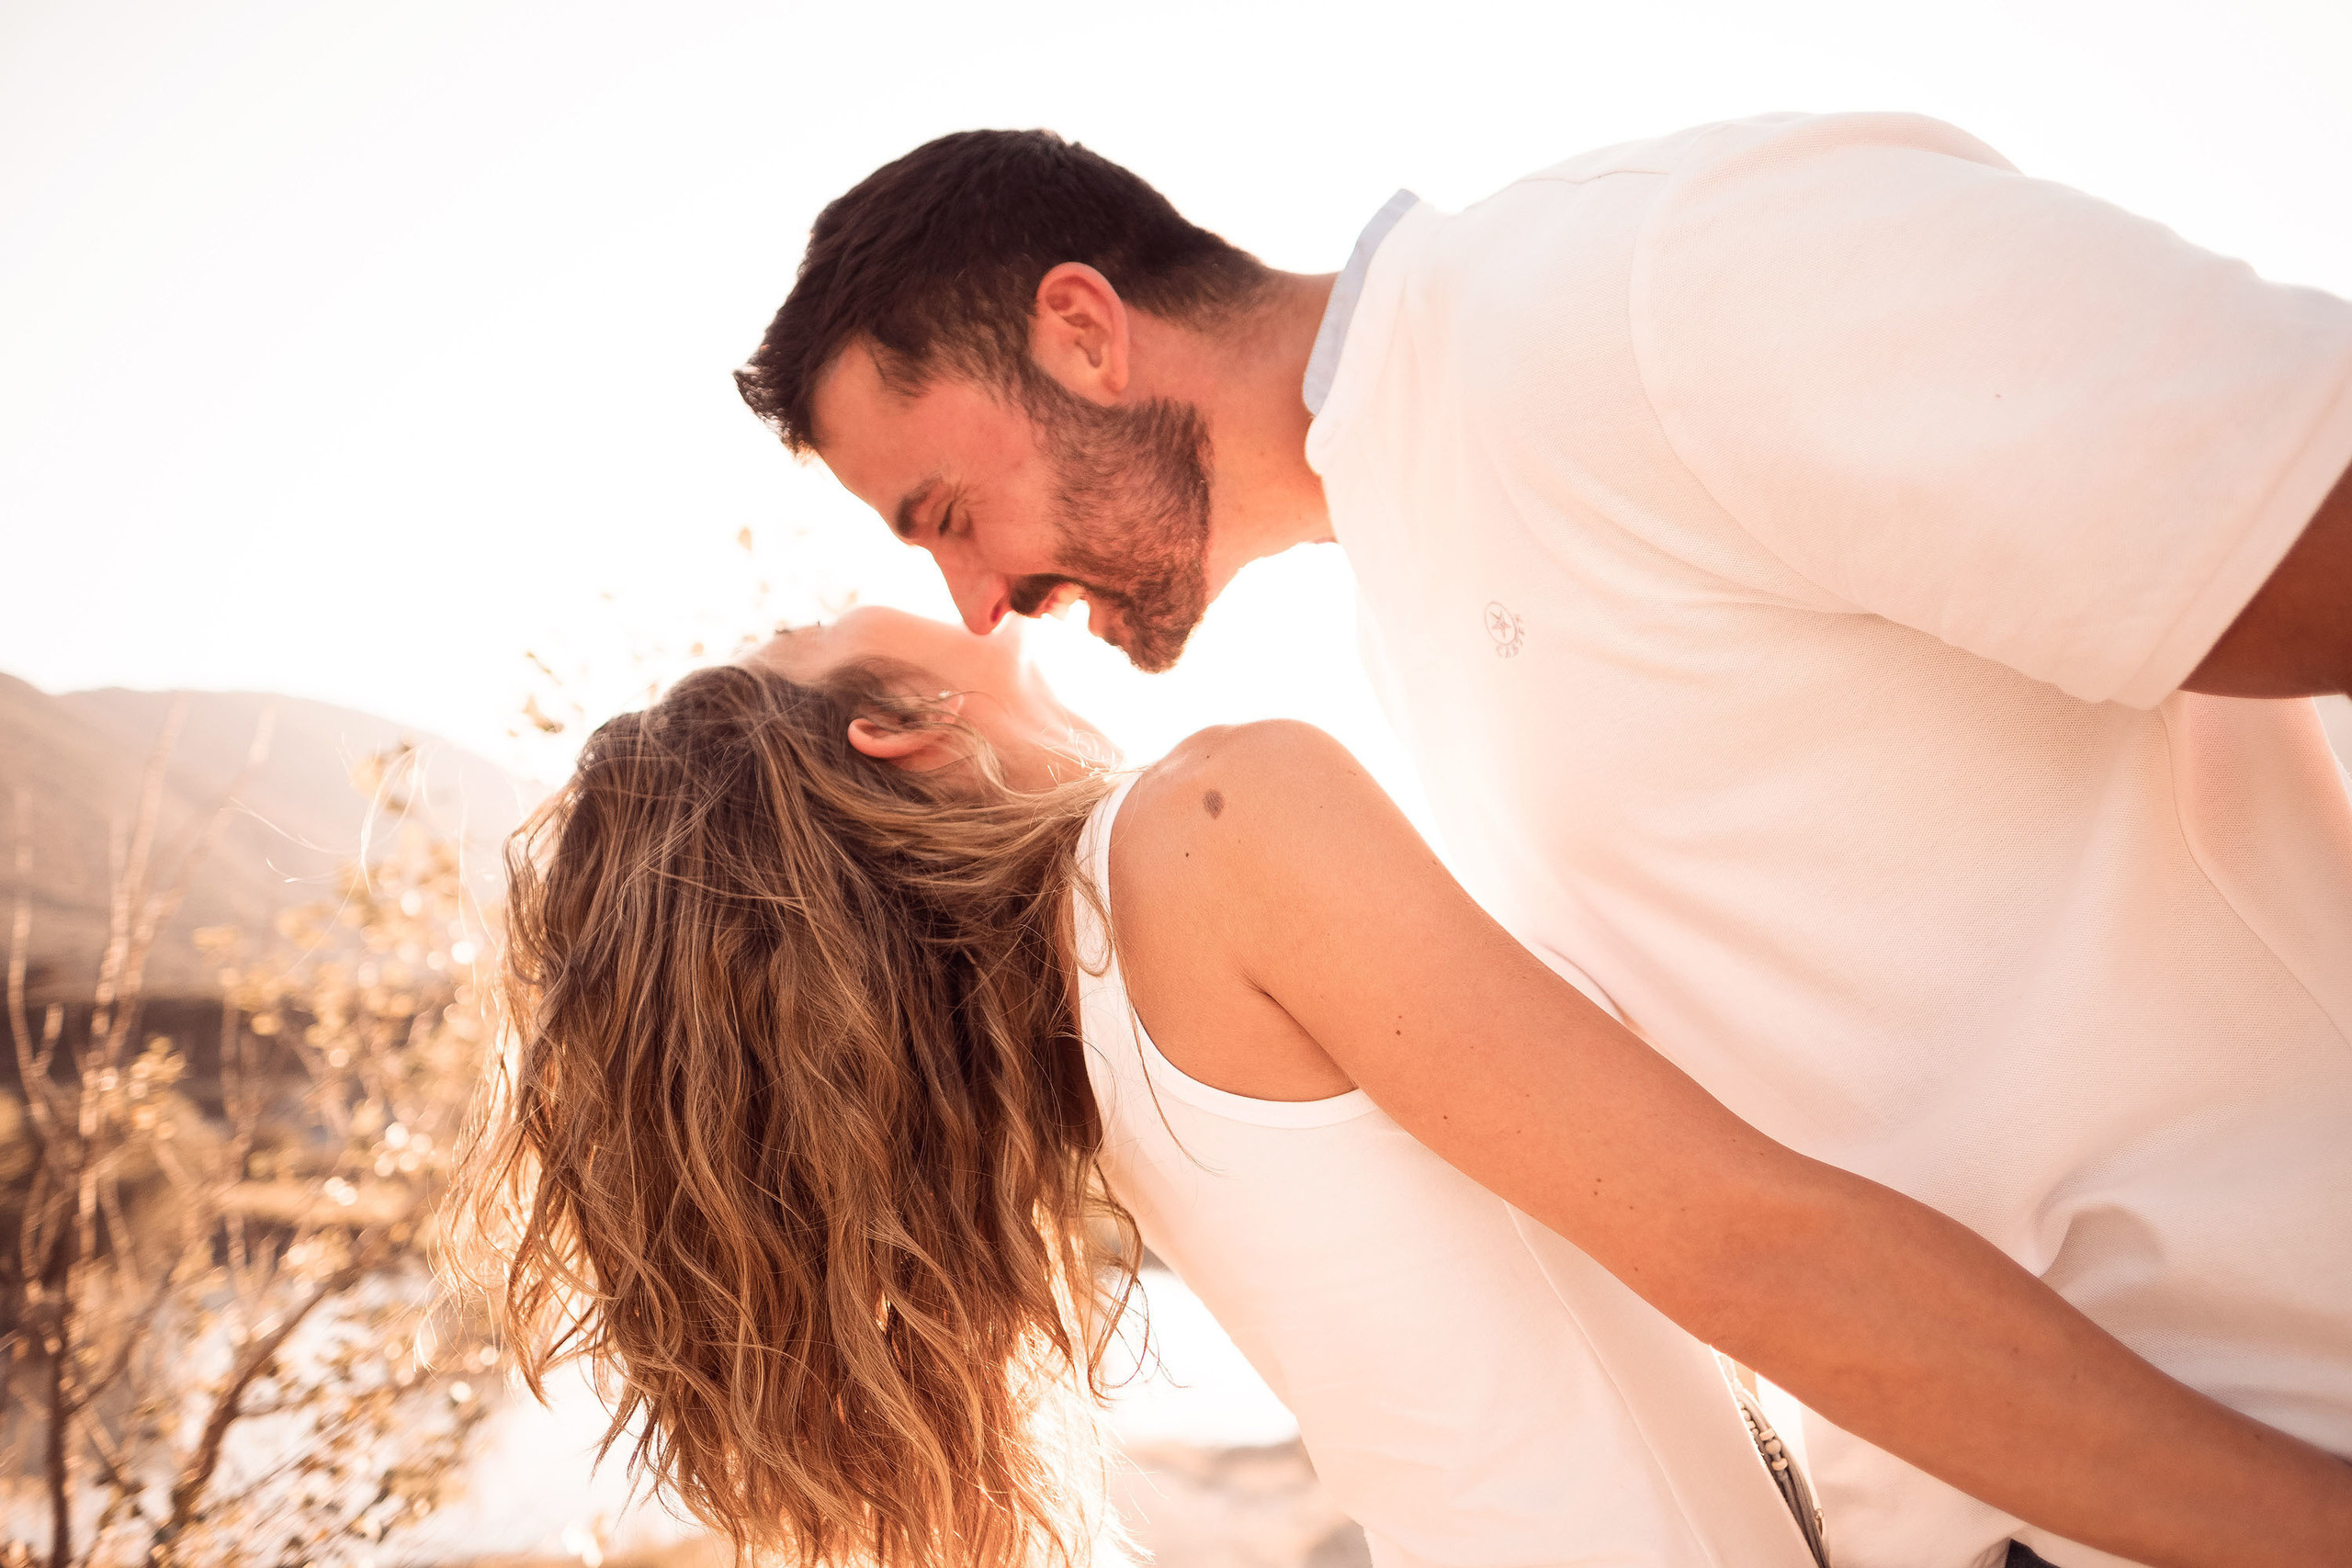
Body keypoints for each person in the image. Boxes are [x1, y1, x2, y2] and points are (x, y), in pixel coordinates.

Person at [734, 118, 2352, 1568]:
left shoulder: (1626, 295)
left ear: (1083, 334)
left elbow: (2311, 504)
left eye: (948, 512)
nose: (975, 599)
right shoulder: (1416, 624)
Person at [455, 605, 2352, 1568]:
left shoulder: (1104, 1033)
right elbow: (1752, 1247)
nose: (983, 608)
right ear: (897, 721)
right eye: (837, 612)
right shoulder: (1205, 829)